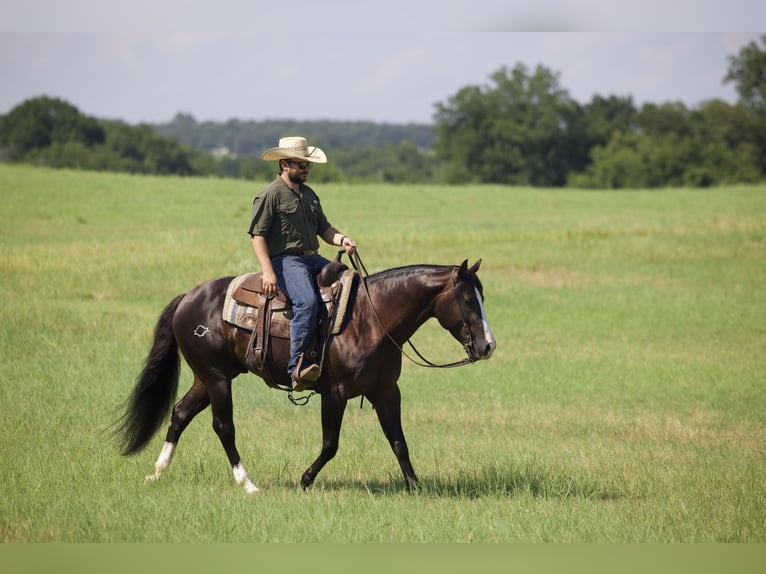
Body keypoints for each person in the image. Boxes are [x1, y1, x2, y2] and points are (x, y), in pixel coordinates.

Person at [247, 136, 357, 391]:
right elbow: (257, 235)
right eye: (301, 165)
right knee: (306, 302)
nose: (307, 170)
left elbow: (324, 229)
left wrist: (343, 239)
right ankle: (296, 366)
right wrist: (268, 272)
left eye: (308, 165)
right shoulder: (270, 195)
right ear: (285, 164)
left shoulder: (309, 195)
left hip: (313, 258)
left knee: (352, 283)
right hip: (286, 261)